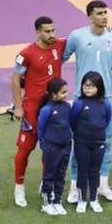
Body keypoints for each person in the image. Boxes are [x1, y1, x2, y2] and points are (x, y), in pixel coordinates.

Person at [64, 0, 112, 204]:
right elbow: (58, 59)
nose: (104, 17)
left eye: (105, 13)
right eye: (99, 14)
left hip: (106, 99)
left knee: (106, 143)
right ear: (90, 16)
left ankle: (102, 185)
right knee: (78, 143)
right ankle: (75, 188)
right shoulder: (77, 36)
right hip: (81, 100)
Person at [12, 16, 66, 208]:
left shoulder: (59, 45)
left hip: (54, 109)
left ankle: (46, 183)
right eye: (47, 31)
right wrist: (18, 106)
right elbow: (16, 80)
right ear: (37, 32)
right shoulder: (25, 54)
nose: (52, 35)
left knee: (50, 149)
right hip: (32, 110)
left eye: (53, 31)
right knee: (25, 149)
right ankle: (19, 187)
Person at [70, 71, 112, 214]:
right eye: (85, 86)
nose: (87, 89)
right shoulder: (78, 104)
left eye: (92, 86)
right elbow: (72, 122)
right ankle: (82, 200)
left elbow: (106, 121)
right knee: (82, 171)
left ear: (99, 88)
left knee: (95, 172)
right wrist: (81, 136)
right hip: (82, 143)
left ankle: (93, 199)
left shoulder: (105, 103)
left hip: (98, 143)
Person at [36, 78, 72, 216]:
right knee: (49, 174)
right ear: (53, 94)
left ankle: (57, 201)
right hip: (51, 147)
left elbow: (70, 123)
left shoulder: (67, 107)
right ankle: (47, 203)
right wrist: (43, 145)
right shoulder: (47, 110)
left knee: (61, 174)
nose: (66, 95)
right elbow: (41, 129)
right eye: (63, 92)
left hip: (66, 145)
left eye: (66, 92)